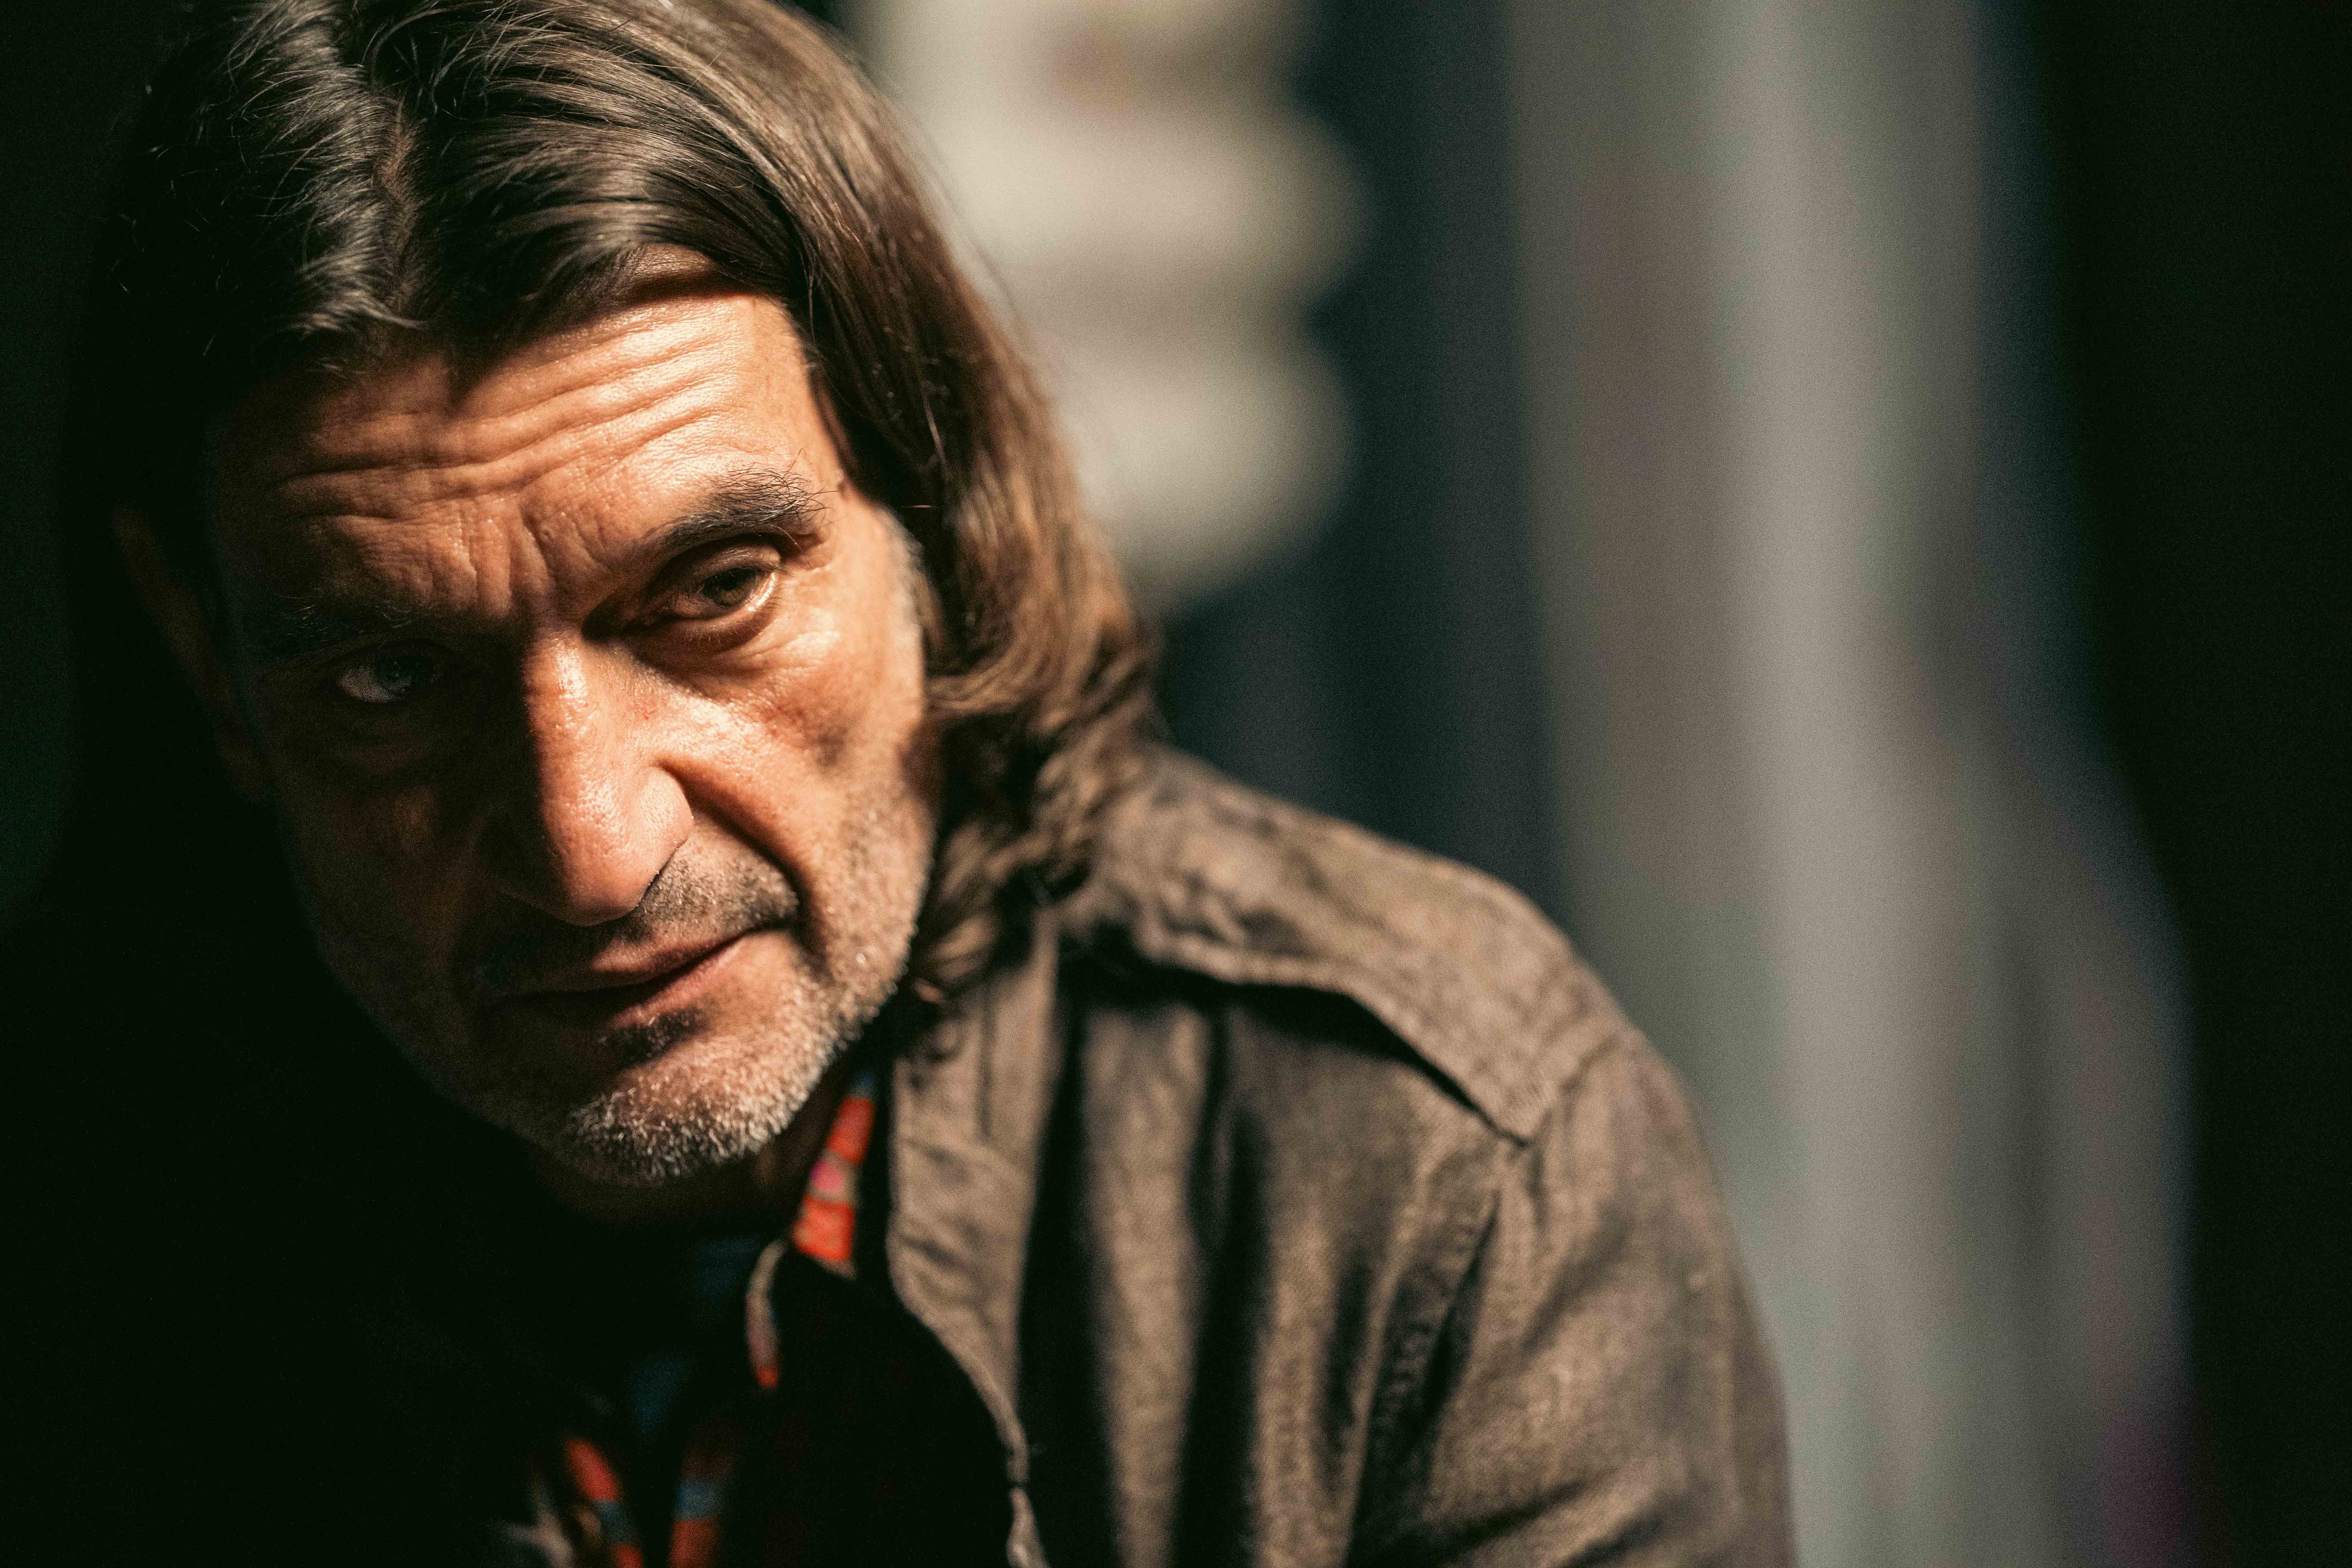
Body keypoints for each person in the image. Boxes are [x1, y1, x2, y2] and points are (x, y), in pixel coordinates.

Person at [34, 0, 1791, 1562]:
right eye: (390, 677)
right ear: (205, 658)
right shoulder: (74, 1203)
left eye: (714, 596)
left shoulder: (1428, 1172)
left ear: (935, 526)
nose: (590, 848)